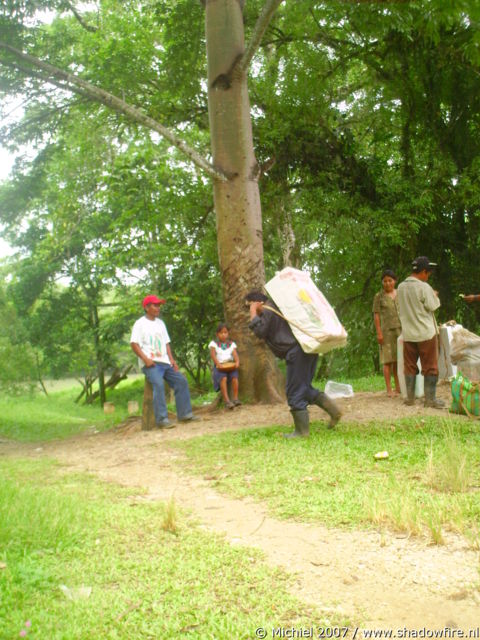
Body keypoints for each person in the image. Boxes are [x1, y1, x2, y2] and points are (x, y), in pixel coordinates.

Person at [245, 290, 341, 438]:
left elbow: (260, 331)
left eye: (249, 306)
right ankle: (334, 411)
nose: (248, 311)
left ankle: (302, 432)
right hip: (305, 350)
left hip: (297, 352)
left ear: (258, 303)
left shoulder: (269, 311)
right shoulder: (277, 308)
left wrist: (253, 313)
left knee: (293, 392)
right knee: (305, 389)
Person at [130, 295, 198, 428]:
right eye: (155, 305)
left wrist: (172, 360)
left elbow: (167, 343)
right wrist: (145, 359)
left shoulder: (161, 323)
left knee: (181, 381)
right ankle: (162, 420)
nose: (158, 308)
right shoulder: (140, 324)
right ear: (146, 307)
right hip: (151, 364)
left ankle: (185, 414)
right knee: (159, 384)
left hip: (165, 362)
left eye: (159, 305)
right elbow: (134, 344)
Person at [396, 257, 444, 408]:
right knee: (430, 366)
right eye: (428, 273)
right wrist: (434, 295)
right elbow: (433, 306)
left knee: (410, 365)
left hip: (408, 333)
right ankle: (430, 400)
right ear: (423, 272)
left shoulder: (401, 287)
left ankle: (409, 399)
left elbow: (398, 307)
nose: (428, 276)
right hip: (425, 333)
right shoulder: (424, 287)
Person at [372, 269, 402, 397]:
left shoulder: (400, 294)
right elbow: (376, 315)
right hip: (386, 332)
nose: (388, 283)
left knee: (398, 360)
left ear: (395, 281)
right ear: (382, 283)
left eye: (390, 280)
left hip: (400, 330)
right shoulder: (379, 296)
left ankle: (398, 387)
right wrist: (379, 333)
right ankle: (389, 389)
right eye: (385, 281)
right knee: (387, 361)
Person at [209, 323, 241, 410]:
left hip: (230, 365)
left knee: (235, 378)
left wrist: (237, 361)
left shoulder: (231, 344)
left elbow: (235, 354)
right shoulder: (214, 343)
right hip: (220, 366)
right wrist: (218, 364)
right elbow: (213, 355)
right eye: (221, 333)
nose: (223, 335)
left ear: (228, 333)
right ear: (217, 334)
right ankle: (227, 401)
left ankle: (235, 398)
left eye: (225, 332)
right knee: (223, 379)